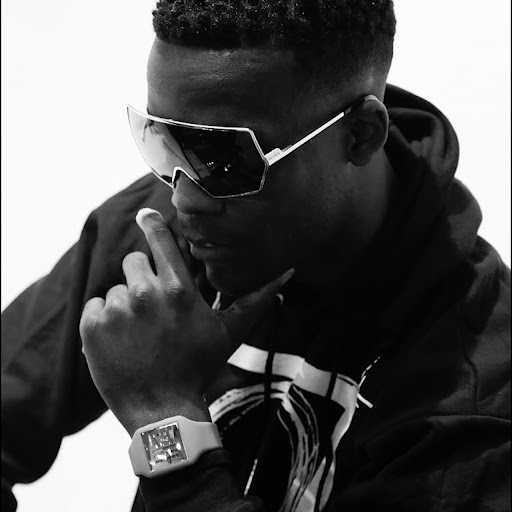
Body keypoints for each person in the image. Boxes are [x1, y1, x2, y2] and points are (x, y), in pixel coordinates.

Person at [2, 0, 510, 511]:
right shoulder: (161, 235)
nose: (184, 198)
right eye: (164, 141)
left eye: (228, 159)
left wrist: (166, 422)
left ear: (360, 135)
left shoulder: (472, 395)